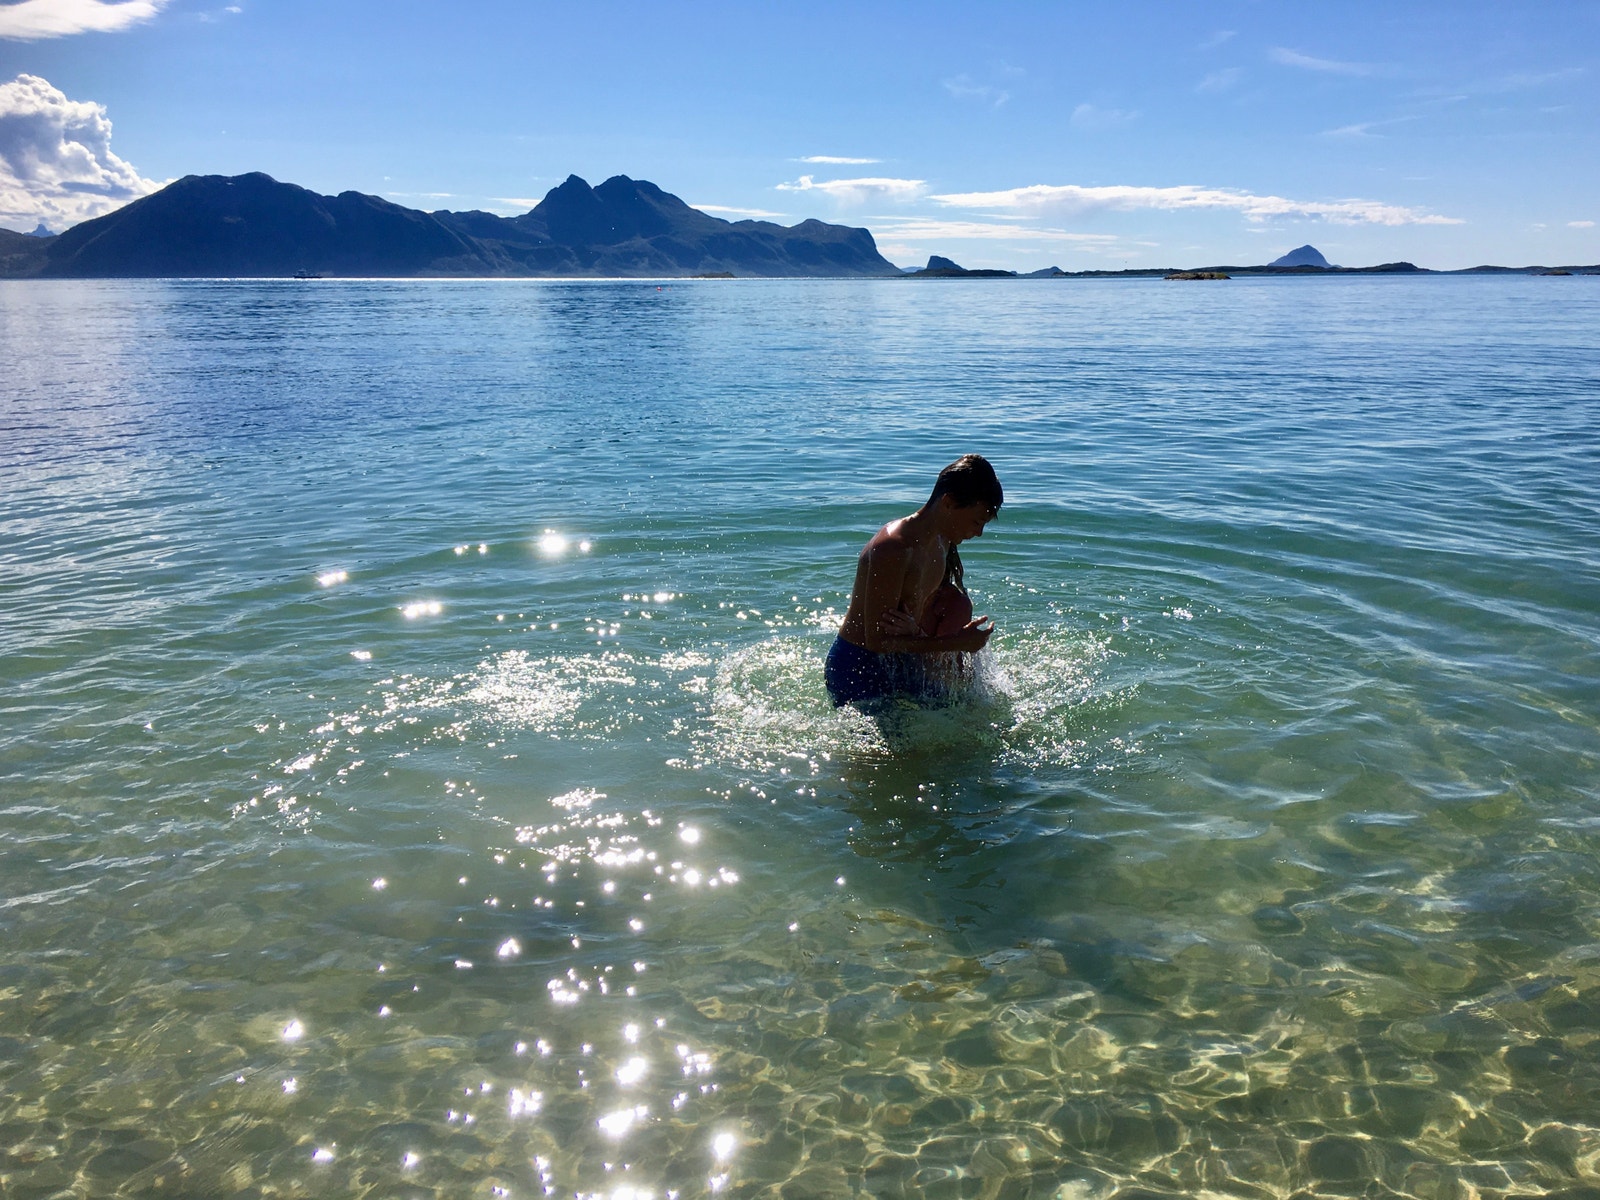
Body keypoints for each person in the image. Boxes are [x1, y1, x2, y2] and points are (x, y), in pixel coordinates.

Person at [825, 454, 1002, 707]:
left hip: (904, 659)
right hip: (859, 667)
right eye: (976, 521)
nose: (979, 532)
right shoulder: (893, 548)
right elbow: (877, 641)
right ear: (949, 502)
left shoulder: (942, 539)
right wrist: (956, 643)